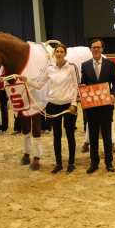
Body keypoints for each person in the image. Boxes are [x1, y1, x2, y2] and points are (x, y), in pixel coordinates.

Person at [21, 44, 79, 174]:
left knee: (70, 134)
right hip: (53, 105)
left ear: (65, 53)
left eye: (61, 51)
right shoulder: (50, 69)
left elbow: (76, 86)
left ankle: (71, 163)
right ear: (54, 54)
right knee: (56, 135)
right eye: (57, 51)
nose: (59, 53)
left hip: (68, 106)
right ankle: (58, 163)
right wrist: (26, 80)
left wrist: (74, 103)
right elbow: (39, 84)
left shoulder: (71, 67)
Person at [81, 38, 115, 174]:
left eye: (98, 47)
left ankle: (109, 163)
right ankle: (94, 163)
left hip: (106, 106)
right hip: (91, 107)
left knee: (107, 135)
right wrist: (82, 88)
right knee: (92, 136)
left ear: (102, 49)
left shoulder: (110, 64)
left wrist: (113, 95)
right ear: (91, 49)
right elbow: (83, 83)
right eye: (93, 47)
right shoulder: (84, 65)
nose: (96, 49)